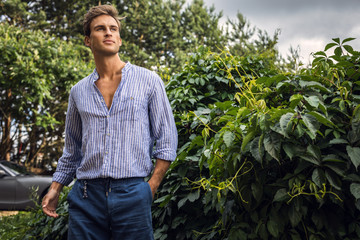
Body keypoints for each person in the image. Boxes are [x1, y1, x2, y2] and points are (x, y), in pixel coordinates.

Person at [41, 4, 178, 240]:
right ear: (87, 40)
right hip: (86, 197)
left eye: (113, 29)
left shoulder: (148, 81)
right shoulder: (78, 92)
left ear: (120, 39)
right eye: (100, 29)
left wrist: (150, 187)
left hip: (133, 192)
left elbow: (167, 139)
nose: (108, 33)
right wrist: (55, 188)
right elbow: (72, 149)